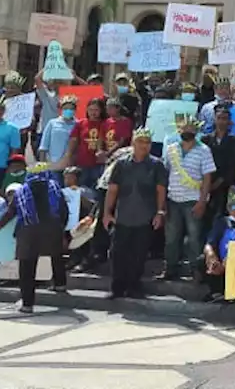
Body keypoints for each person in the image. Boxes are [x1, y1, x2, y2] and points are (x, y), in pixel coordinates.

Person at [0, 163, 70, 312]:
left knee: (27, 268)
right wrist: (61, 229)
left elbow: (11, 212)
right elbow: (64, 210)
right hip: (52, 229)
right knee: (56, 255)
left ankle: (27, 304)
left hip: (28, 232)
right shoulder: (55, 188)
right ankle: (60, 284)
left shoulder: (22, 191)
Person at [103, 128, 169, 299]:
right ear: (133, 143)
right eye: (140, 142)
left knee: (138, 254)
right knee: (117, 253)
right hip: (122, 216)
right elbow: (112, 190)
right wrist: (107, 213)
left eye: (147, 142)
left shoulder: (156, 165)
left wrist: (160, 212)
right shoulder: (121, 164)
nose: (144, 146)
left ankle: (134, 287)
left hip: (145, 217)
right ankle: (117, 288)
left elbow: (160, 190)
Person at [161, 116, 215, 280]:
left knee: (194, 238)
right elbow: (165, 175)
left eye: (191, 129)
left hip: (193, 200)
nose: (188, 131)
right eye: (185, 128)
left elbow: (207, 178)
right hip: (173, 199)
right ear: (179, 130)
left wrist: (202, 202)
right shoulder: (171, 149)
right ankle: (170, 268)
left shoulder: (204, 150)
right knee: (171, 237)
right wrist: (162, 202)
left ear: (196, 131)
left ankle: (196, 270)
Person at [203, 105, 235, 222]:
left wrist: (220, 181)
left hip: (226, 185)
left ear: (229, 121)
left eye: (225, 118)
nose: (221, 121)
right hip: (208, 182)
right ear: (214, 119)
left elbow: (234, 163)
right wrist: (208, 183)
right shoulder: (206, 139)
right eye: (219, 118)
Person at [66, 98, 107, 190]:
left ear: (101, 111)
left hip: (98, 164)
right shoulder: (81, 123)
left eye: (96, 110)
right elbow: (73, 141)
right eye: (91, 110)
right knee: (81, 188)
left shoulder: (105, 123)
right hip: (82, 163)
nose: (93, 112)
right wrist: (69, 157)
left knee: (97, 189)